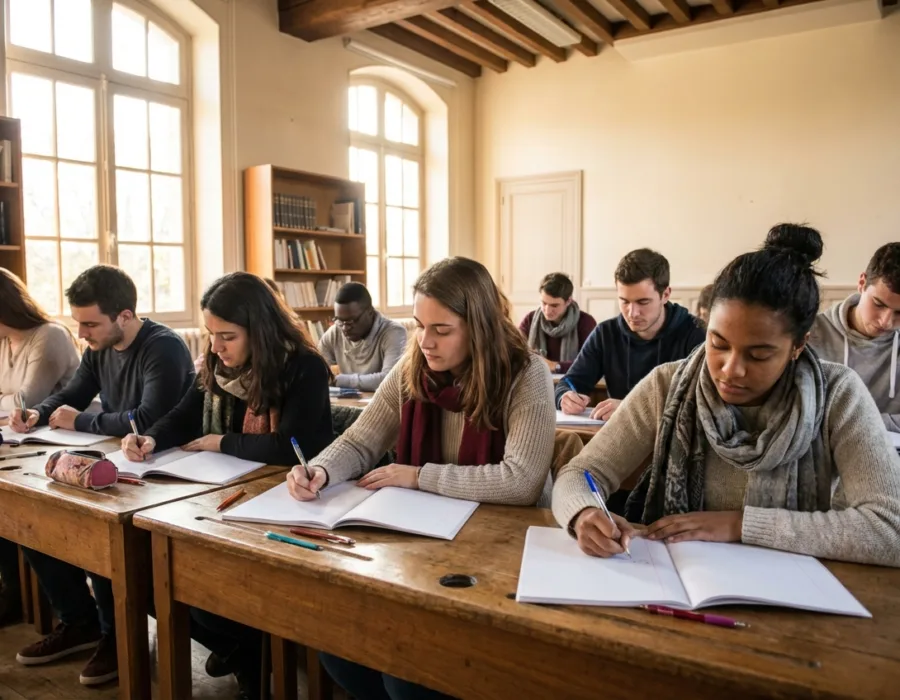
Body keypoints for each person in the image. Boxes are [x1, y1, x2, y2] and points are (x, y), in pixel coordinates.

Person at [552, 225, 900, 569]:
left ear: (798, 345)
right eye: (718, 344)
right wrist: (582, 511)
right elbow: (579, 473)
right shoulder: (668, 385)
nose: (731, 370)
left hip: (791, 596)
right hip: (673, 583)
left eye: (759, 354)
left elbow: (890, 528)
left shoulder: (838, 395)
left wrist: (741, 525)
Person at [287, 257, 556, 700]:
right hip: (428, 538)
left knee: (408, 677)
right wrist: (320, 469)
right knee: (338, 647)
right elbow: (361, 440)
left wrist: (419, 477)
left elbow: (521, 481)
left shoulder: (526, 375)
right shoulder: (414, 367)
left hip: (505, 548)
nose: (426, 342)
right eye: (419, 326)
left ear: (480, 326)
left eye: (442, 330)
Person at [122, 271, 334, 698]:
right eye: (210, 334)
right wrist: (151, 437)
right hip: (227, 493)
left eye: (227, 336)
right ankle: (244, 653)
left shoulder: (303, 367)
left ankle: (246, 651)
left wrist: (222, 441)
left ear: (260, 330)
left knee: (208, 586)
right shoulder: (217, 366)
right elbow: (183, 414)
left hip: (289, 501)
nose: (215, 347)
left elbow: (291, 447)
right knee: (146, 579)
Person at [11, 265, 195, 687]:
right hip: (114, 461)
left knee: (95, 535)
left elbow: (148, 418)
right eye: (79, 323)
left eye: (90, 323)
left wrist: (82, 423)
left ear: (125, 317)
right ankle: (80, 622)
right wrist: (39, 412)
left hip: (160, 469)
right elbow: (73, 394)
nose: (83, 334)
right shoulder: (97, 348)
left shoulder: (163, 347)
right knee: (36, 520)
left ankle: (117, 637)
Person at [0, 268, 81, 627]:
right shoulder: (4, 340)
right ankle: (13, 591)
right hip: (24, 442)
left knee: (30, 514)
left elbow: (26, 399)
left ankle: (72, 613)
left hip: (65, 443)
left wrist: (10, 401)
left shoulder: (49, 336)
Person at [555, 248, 706, 422]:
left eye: (643, 302)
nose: (632, 313)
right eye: (624, 301)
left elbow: (698, 403)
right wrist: (565, 396)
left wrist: (631, 408)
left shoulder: (696, 333)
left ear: (665, 295)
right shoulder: (605, 334)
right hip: (619, 439)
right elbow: (569, 382)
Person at [809, 243, 900, 432]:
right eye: (878, 304)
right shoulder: (810, 334)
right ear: (862, 283)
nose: (886, 321)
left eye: (899, 313)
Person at [317, 282, 407, 391]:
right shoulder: (335, 332)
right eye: (340, 320)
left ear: (370, 312)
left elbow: (390, 380)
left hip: (382, 405)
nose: (345, 328)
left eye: (351, 321)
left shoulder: (394, 333)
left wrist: (339, 380)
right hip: (347, 404)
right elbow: (318, 373)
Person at [518, 272, 596, 374]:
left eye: (554, 305)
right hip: (536, 381)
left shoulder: (586, 322)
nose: (547, 310)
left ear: (568, 301)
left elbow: (589, 362)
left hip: (572, 385)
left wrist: (555, 366)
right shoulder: (530, 319)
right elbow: (515, 351)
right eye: (544, 303)